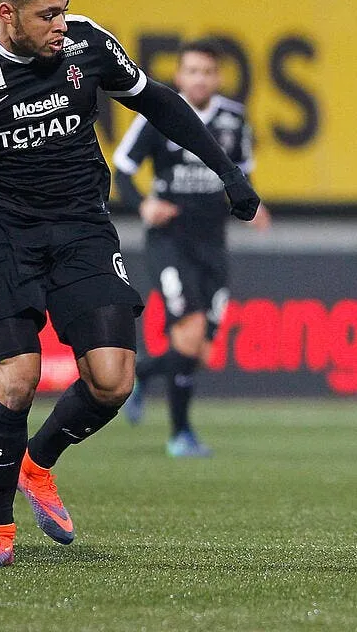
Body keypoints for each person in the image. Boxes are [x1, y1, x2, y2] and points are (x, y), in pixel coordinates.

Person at [0, 0, 260, 568]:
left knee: (114, 379)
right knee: (18, 376)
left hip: (82, 228)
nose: (61, 24)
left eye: (65, 9)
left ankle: (37, 463)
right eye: (47, 15)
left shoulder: (88, 45)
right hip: (4, 234)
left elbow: (160, 103)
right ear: (6, 13)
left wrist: (228, 173)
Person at [112, 39, 271, 457]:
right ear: (180, 76)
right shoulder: (160, 112)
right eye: (192, 71)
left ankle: (143, 374)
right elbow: (123, 168)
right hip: (171, 242)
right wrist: (143, 204)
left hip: (212, 241)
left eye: (207, 71)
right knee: (190, 333)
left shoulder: (234, 120)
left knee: (199, 349)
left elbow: (242, 173)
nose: (200, 78)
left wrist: (254, 206)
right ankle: (180, 434)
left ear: (217, 78)